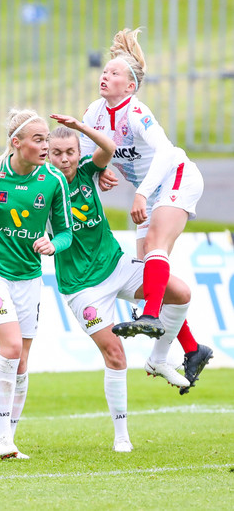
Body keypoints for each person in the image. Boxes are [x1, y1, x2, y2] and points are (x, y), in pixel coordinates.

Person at [48, 116, 193, 452]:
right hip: (81, 286)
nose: (65, 159)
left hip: (116, 265)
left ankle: (158, 359)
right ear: (48, 155)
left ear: (78, 152)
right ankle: (122, 435)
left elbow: (109, 148)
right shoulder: (43, 185)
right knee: (115, 354)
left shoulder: (87, 170)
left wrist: (81, 128)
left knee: (180, 292)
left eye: (70, 152)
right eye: (57, 153)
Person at [81, 28, 213, 392]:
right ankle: (192, 348)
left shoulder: (136, 112)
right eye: (104, 71)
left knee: (155, 245)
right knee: (148, 278)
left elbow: (167, 153)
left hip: (176, 177)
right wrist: (100, 171)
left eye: (114, 73)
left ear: (130, 86)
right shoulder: (94, 112)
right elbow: (83, 157)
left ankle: (152, 318)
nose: (105, 76)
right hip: (150, 191)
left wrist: (140, 194)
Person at [0, 109, 73, 459]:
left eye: (47, 139)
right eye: (38, 140)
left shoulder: (54, 180)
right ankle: (3, 440)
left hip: (28, 277)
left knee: (21, 362)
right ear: (16, 143)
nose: (46, 146)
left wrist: (53, 244)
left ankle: (9, 439)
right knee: (10, 347)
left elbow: (65, 232)